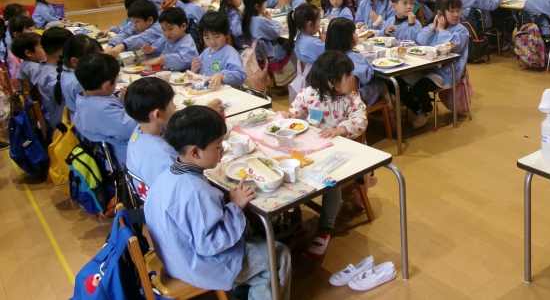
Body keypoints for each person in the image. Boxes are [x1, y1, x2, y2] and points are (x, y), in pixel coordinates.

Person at [144, 105, 291, 300]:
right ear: (195, 152)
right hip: (198, 265)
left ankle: (249, 290)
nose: (222, 151)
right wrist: (235, 207)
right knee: (278, 255)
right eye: (218, 146)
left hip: (172, 256)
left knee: (252, 240)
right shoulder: (196, 192)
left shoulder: (166, 176)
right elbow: (211, 243)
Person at [283, 51, 367, 259]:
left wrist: (341, 130)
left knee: (331, 183)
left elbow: (360, 120)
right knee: (290, 171)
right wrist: (289, 115)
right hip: (311, 151)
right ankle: (294, 217)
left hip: (339, 155)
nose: (352, 79)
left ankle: (325, 228)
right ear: (331, 83)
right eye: (348, 75)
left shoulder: (351, 99)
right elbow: (296, 111)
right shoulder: (309, 94)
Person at [397, 0, 468, 128]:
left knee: (419, 88)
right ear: (440, 13)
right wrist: (432, 28)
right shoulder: (434, 26)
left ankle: (427, 110)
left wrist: (441, 31)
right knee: (395, 82)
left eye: (458, 11)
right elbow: (420, 42)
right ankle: (417, 109)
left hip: (445, 72)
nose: (456, 14)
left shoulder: (461, 30)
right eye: (451, 11)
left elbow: (454, 47)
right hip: (425, 68)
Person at [74, 53, 138, 166]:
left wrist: (124, 99)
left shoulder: (85, 98)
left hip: (113, 150)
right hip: (126, 157)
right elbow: (136, 126)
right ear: (106, 86)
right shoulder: (101, 110)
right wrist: (135, 102)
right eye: (116, 79)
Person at [325, 18, 393, 119]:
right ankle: (390, 117)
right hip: (354, 96)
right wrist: (365, 61)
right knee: (383, 85)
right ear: (346, 38)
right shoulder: (352, 56)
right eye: (354, 32)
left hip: (334, 96)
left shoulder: (327, 56)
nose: (357, 35)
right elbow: (367, 77)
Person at [124, 77, 178, 188]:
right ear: (158, 114)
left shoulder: (139, 130)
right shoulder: (163, 155)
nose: (175, 108)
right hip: (165, 195)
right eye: (172, 103)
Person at [53, 34, 103, 122]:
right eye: (94, 60)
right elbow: (97, 108)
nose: (101, 62)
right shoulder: (80, 82)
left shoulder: (65, 72)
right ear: (74, 62)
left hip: (79, 118)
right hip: (86, 122)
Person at [191, 12, 247, 89]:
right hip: (207, 91)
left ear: (226, 34)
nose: (212, 41)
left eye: (216, 37)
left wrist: (222, 76)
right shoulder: (205, 52)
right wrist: (195, 70)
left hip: (226, 93)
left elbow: (239, 75)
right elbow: (200, 74)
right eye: (207, 38)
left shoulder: (230, 53)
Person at [33, 28, 72, 135]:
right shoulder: (54, 77)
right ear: (62, 51)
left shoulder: (43, 67)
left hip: (52, 119)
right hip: (61, 130)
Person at [241, 0, 287, 64]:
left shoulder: (247, 18)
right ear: (257, 6)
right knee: (290, 44)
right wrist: (271, 21)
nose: (266, 4)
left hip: (257, 53)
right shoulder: (260, 21)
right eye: (264, 2)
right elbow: (276, 34)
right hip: (268, 55)